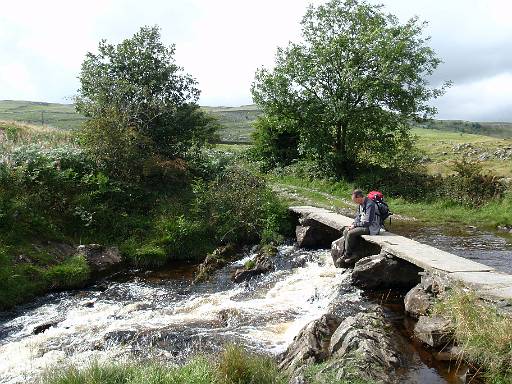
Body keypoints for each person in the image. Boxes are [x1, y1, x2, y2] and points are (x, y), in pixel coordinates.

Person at [342, 189, 381, 263]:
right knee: (346, 231)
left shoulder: (370, 204)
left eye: (355, 199)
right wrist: (353, 224)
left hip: (372, 228)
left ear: (359, 197)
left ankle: (347, 254)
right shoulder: (360, 204)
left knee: (351, 233)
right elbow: (358, 217)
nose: (354, 202)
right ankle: (353, 253)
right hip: (364, 225)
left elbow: (368, 222)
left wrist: (355, 225)